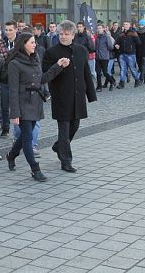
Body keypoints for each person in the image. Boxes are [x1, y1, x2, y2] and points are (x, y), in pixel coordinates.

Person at [6, 33, 68, 182]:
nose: (35, 45)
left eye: (35, 42)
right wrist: (14, 113)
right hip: (22, 103)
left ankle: (12, 155)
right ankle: (35, 169)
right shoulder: (14, 63)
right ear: (23, 44)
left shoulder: (35, 58)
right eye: (32, 42)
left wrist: (58, 66)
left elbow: (42, 79)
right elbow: (13, 90)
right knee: (28, 136)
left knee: (26, 134)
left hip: (36, 102)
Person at [43, 20, 97, 174]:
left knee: (75, 126)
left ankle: (58, 146)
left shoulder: (81, 50)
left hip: (78, 96)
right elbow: (45, 75)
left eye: (66, 34)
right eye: (61, 34)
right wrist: (58, 66)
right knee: (64, 128)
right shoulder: (51, 52)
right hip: (61, 96)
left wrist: (91, 95)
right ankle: (66, 161)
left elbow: (86, 73)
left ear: (73, 35)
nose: (63, 37)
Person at [0, 21, 18, 138]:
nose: (8, 32)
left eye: (10, 30)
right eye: (6, 30)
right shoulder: (1, 43)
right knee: (4, 106)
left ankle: (17, 130)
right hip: (4, 79)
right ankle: (5, 128)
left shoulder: (21, 42)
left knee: (16, 106)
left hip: (17, 79)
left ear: (16, 30)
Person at [114, 22, 142, 88]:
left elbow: (139, 43)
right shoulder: (121, 34)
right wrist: (117, 45)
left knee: (132, 68)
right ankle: (122, 83)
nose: (125, 25)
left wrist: (132, 48)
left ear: (129, 26)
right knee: (123, 69)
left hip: (131, 54)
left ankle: (137, 80)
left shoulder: (133, 33)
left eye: (126, 24)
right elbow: (117, 42)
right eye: (124, 24)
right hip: (122, 54)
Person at [94, 24, 115, 92]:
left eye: (100, 28)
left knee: (105, 72)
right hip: (97, 57)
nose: (98, 29)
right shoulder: (97, 37)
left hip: (104, 57)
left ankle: (112, 81)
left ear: (103, 29)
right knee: (98, 73)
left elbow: (111, 47)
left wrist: (104, 50)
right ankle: (99, 86)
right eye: (98, 28)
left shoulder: (106, 37)